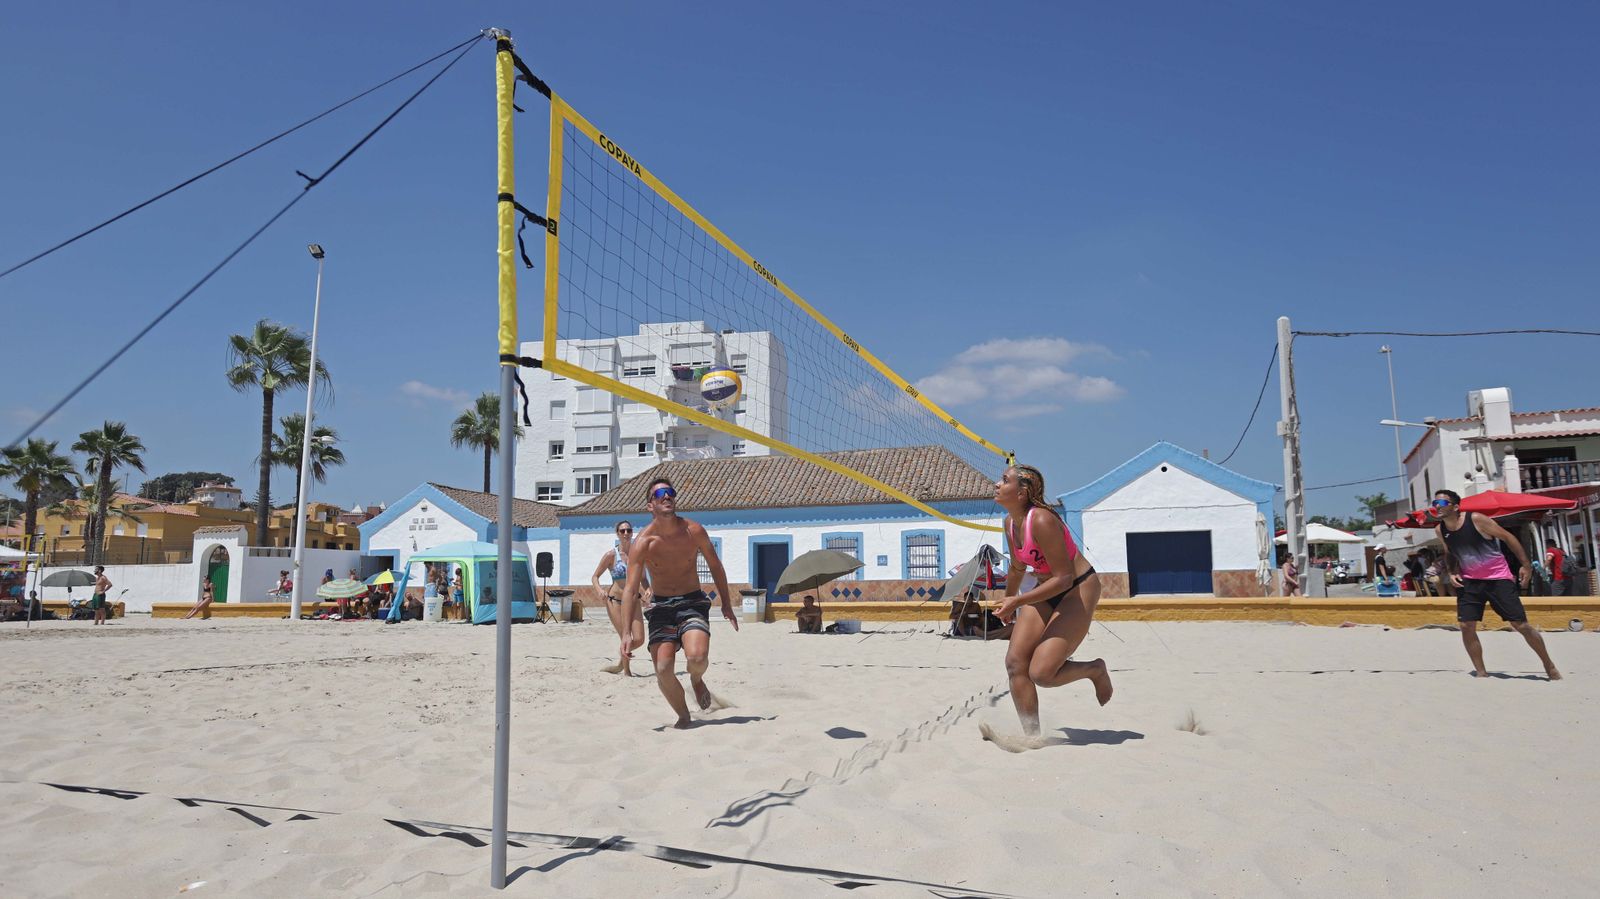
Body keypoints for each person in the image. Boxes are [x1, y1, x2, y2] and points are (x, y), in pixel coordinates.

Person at [988, 464, 1112, 744]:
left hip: (1076, 588)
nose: (996, 484)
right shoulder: (1010, 522)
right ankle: (1032, 736)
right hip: (1046, 588)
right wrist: (1008, 602)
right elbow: (1019, 568)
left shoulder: (1042, 520)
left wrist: (1017, 600)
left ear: (1021, 493)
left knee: (1042, 673)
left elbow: (1065, 578)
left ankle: (1094, 669)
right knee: (1015, 663)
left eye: (1004, 480)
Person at [619, 477, 739, 729]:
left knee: (696, 657)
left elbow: (715, 566)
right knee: (663, 669)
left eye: (670, 492)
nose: (666, 496)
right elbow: (630, 589)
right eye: (659, 493)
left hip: (692, 601)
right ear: (650, 505)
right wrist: (627, 631)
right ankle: (684, 715)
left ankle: (696, 679)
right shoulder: (643, 542)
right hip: (661, 607)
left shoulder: (693, 531)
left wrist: (726, 603)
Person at [1432, 489, 1560, 680]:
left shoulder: (1476, 519)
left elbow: (1508, 537)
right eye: (1434, 504)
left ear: (1456, 506)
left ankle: (1549, 666)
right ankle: (1481, 673)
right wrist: (1451, 572)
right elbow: (1449, 551)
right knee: (1466, 625)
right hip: (1470, 582)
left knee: (1520, 625)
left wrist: (1526, 565)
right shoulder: (1439, 529)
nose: (1436, 507)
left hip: (1498, 579)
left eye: (1441, 503)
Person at [592, 520, 647, 675]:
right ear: (617, 533)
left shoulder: (638, 555)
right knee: (626, 636)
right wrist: (599, 590)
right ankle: (627, 672)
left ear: (632, 532)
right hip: (615, 602)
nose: (626, 534)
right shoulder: (611, 555)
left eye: (628, 530)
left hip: (634, 601)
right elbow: (595, 576)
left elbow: (643, 578)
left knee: (640, 639)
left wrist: (648, 590)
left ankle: (620, 664)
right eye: (622, 531)